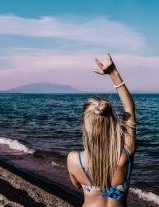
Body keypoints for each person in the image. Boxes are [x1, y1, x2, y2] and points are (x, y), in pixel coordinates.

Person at [67, 54, 136, 207]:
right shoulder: (126, 153)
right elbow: (129, 108)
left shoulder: (73, 159)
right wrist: (113, 73)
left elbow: (77, 184)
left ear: (84, 126)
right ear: (112, 122)